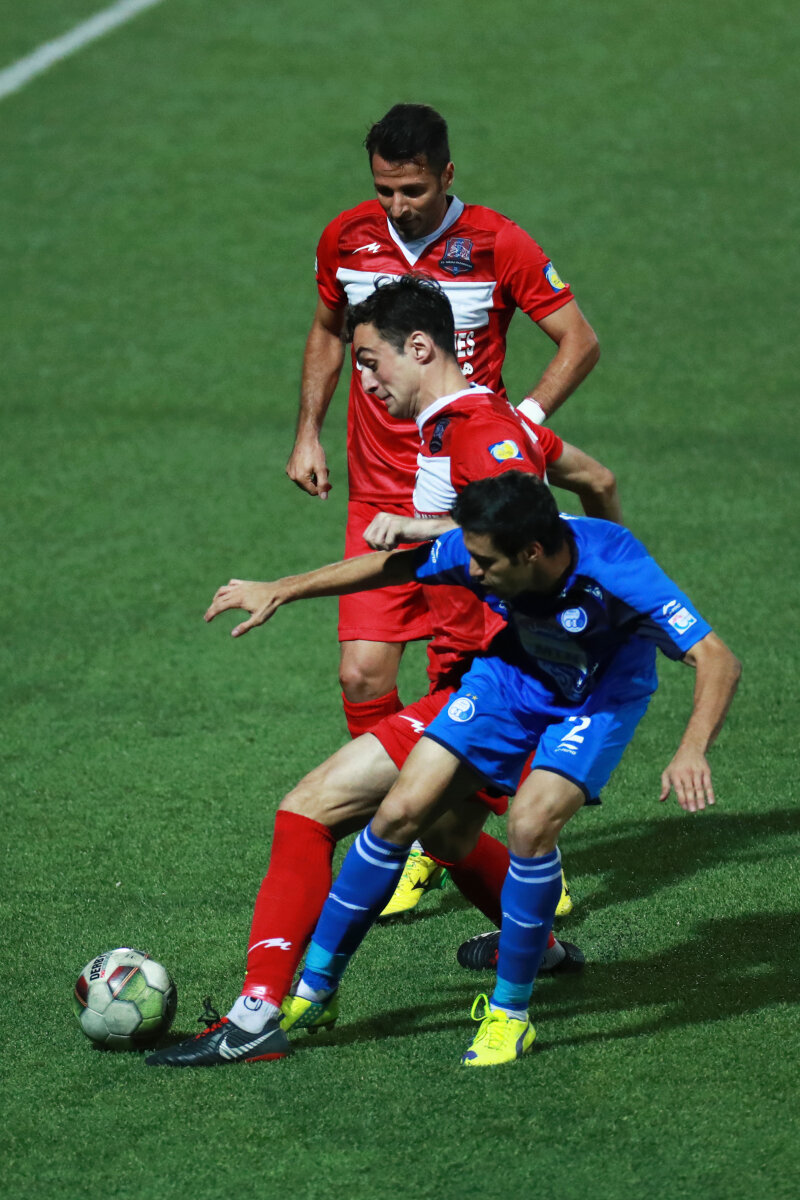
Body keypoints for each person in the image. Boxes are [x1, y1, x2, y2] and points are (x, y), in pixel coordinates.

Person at [146, 280, 618, 1069]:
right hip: (485, 673)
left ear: (421, 348)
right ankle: (540, 950)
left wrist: (596, 600)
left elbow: (520, 526)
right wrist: (288, 586)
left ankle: (258, 1014)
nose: (362, 383)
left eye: (369, 363)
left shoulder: (482, 435)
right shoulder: (462, 427)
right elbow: (595, 480)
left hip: (500, 685)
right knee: (450, 830)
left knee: (309, 810)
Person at [151, 472, 739, 1068]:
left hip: (597, 701)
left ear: (532, 552)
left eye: (486, 563)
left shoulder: (616, 568)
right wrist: (283, 588)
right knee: (399, 813)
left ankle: (510, 1017)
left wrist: (692, 749)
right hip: (512, 679)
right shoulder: (486, 545)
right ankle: (316, 992)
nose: (473, 573)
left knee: (531, 825)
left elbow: (717, 658)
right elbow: (399, 567)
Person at [288, 103, 600, 910]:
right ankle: (424, 830)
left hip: (467, 505)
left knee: (467, 677)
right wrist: (308, 432)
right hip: (378, 495)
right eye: (385, 190)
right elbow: (328, 330)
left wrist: (520, 425)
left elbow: (579, 340)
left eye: (415, 190)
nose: (398, 206)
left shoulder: (497, 242)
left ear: (448, 175)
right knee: (361, 671)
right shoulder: (346, 238)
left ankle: (511, 842)